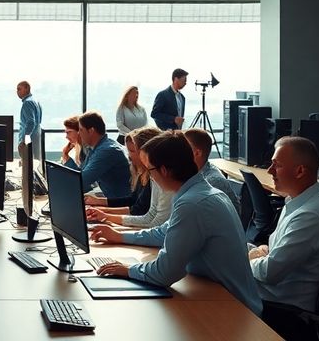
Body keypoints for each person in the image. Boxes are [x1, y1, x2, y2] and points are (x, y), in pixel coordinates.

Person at [91, 131, 263, 317]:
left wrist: (127, 270)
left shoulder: (192, 203)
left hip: (233, 310)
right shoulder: (200, 192)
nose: (150, 176)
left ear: (164, 170)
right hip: (220, 298)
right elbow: (163, 233)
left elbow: (164, 272)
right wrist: (119, 236)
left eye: (150, 170)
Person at [250, 137, 319, 338]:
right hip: (271, 293)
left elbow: (270, 272)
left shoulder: (310, 215)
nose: (269, 171)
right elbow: (271, 250)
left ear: (300, 171)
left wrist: (246, 259)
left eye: (276, 165)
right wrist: (258, 255)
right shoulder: (298, 202)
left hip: (281, 308)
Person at [85, 127, 172, 228]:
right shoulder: (141, 172)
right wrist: (99, 205)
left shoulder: (155, 177)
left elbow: (139, 211)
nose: (129, 156)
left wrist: (106, 215)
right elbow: (133, 200)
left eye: (132, 151)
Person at [183, 127, 242, 215]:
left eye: (182, 148)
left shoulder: (213, 182)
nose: (178, 152)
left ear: (197, 153)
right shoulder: (195, 174)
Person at [75, 111, 132, 198]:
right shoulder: (96, 148)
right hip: (111, 197)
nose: (78, 133)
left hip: (120, 203)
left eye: (81, 130)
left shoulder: (107, 151)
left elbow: (82, 180)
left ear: (91, 130)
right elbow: (80, 172)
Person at [16, 81, 43, 162]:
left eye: (19, 89)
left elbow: (31, 122)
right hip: (36, 137)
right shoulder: (35, 101)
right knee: (35, 163)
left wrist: (25, 141)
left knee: (28, 165)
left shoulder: (27, 103)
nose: (17, 92)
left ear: (27, 88)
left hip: (29, 140)